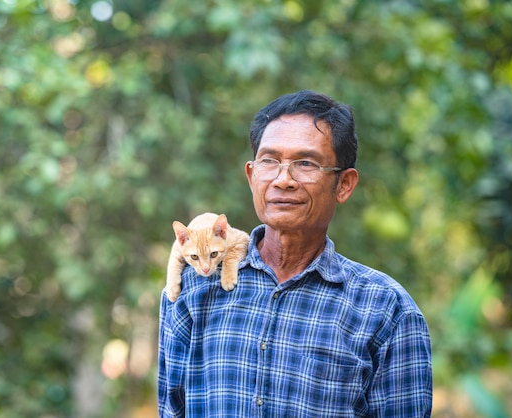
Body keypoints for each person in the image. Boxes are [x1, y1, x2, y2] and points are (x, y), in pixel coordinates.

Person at [157, 90, 432, 417]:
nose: (283, 180)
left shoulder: (386, 309)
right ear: (251, 176)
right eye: (270, 161)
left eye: (305, 163)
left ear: (344, 185)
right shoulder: (193, 288)